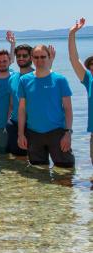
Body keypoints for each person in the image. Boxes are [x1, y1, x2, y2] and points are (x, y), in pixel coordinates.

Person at [17, 45, 74, 168]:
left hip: (57, 133)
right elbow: (21, 110)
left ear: (50, 57)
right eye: (36, 57)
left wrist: (68, 133)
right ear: (31, 58)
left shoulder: (60, 80)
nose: (39, 60)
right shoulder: (24, 80)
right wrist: (21, 134)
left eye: (43, 57)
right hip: (34, 134)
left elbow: (68, 109)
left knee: (66, 172)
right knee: (39, 174)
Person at [69, 18, 93, 163]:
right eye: (91, 65)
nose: (92, 67)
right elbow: (74, 59)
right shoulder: (89, 80)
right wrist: (72, 34)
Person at [6, 43, 32, 157]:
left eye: (24, 55)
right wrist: (7, 123)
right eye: (18, 56)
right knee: (17, 158)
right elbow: (11, 104)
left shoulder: (37, 76)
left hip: (31, 125)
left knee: (35, 160)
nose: (21, 58)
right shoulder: (12, 77)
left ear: (31, 57)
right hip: (13, 124)